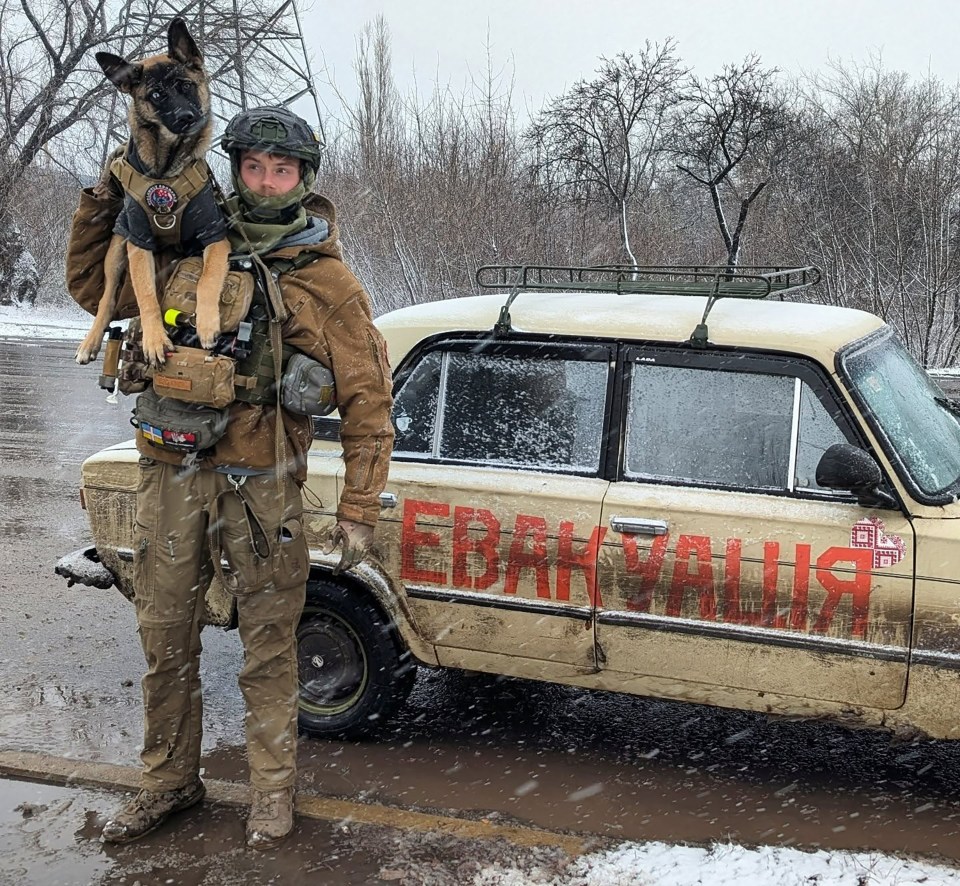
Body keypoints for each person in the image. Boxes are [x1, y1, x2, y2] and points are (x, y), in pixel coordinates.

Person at [68, 107, 394, 849]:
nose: (267, 182)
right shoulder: (182, 237)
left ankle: (271, 796)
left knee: (272, 647)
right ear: (235, 168)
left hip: (262, 482)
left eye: (282, 171)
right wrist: (103, 197)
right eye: (253, 167)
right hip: (171, 468)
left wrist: (360, 509)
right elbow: (95, 288)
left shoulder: (326, 280)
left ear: (304, 179)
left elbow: (369, 400)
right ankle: (167, 782)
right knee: (165, 637)